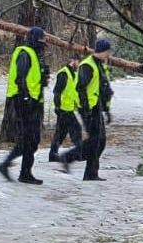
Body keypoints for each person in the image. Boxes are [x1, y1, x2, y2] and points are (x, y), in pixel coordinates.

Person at [0, 26, 47, 184]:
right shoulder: (25, 54)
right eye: (41, 41)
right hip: (25, 103)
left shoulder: (34, 55)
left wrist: (43, 79)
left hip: (33, 102)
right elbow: (20, 78)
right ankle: (14, 168)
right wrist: (26, 98)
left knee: (32, 140)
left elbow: (33, 79)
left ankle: (24, 171)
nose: (43, 45)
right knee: (28, 139)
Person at [61, 38, 115, 180]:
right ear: (103, 51)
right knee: (96, 140)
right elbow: (81, 88)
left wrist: (107, 110)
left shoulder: (100, 65)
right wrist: (86, 109)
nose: (109, 54)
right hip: (89, 108)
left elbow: (103, 88)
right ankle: (70, 158)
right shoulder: (88, 65)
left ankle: (89, 171)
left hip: (97, 107)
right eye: (108, 51)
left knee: (99, 141)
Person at [47, 52, 82, 162]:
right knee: (76, 129)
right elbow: (57, 92)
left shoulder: (74, 74)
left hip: (69, 108)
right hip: (63, 109)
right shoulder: (63, 74)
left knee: (61, 132)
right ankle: (79, 153)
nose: (78, 64)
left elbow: (72, 92)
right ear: (73, 61)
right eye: (78, 62)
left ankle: (53, 154)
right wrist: (57, 107)